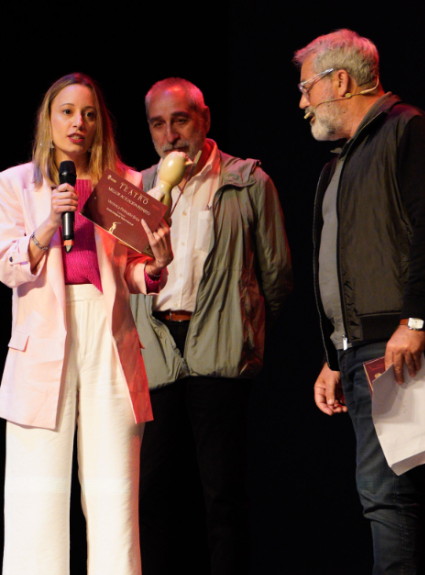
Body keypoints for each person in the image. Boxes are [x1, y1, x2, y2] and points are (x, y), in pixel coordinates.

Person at [0, 72, 174, 575]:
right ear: (48, 120)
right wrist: (49, 221)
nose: (79, 122)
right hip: (42, 340)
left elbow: (130, 273)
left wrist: (154, 267)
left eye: (89, 113)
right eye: (68, 111)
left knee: (115, 493)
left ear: (100, 124)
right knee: (36, 496)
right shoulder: (14, 184)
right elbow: (7, 267)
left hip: (107, 337)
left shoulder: (126, 183)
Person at [296, 29, 425, 573]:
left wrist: (414, 320)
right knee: (396, 497)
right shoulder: (337, 165)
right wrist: (330, 353)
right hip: (358, 349)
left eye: (307, 89)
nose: (302, 104)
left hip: (392, 345)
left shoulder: (408, 130)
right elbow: (342, 261)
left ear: (339, 80)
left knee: (386, 494)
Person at [132, 78, 293, 575]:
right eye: (158, 124)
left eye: (180, 120)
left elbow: (277, 274)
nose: (170, 134)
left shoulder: (246, 181)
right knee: (153, 491)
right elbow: (121, 277)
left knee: (222, 493)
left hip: (218, 351)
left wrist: (244, 328)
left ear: (203, 119)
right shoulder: (136, 188)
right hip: (156, 352)